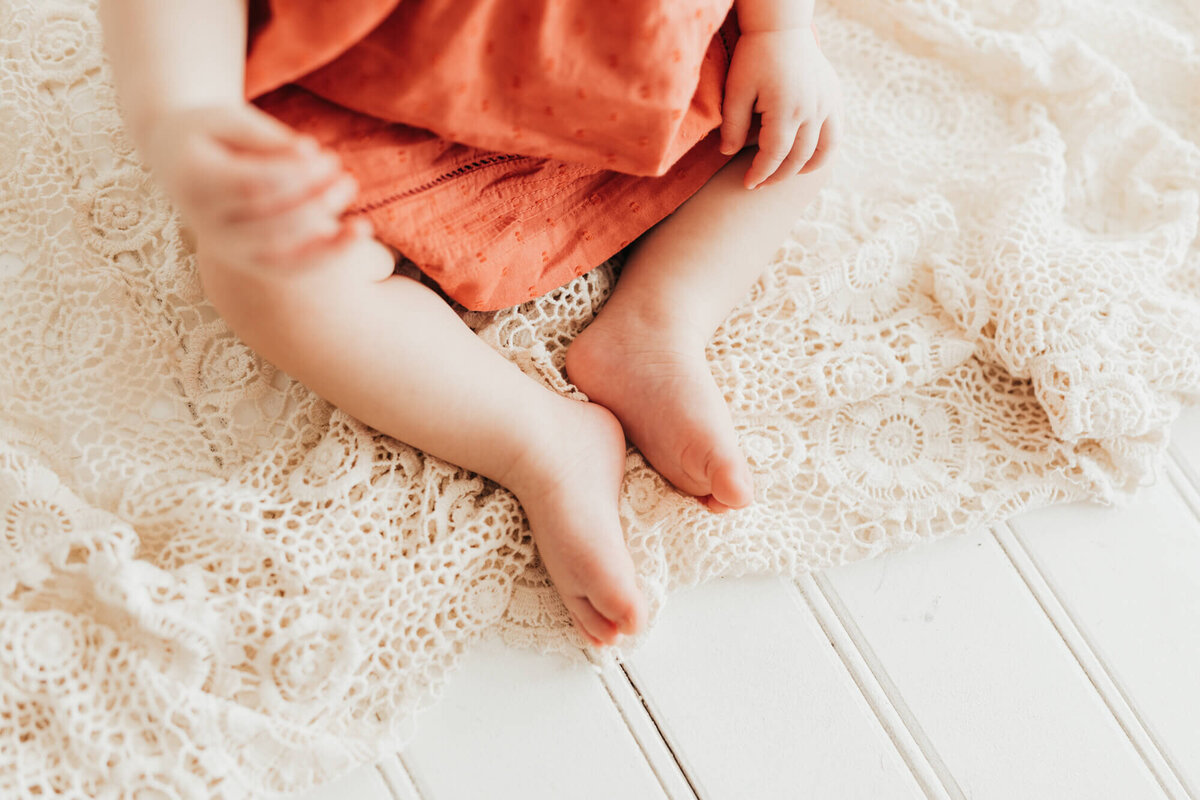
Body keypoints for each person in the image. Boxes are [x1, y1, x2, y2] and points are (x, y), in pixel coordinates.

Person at [99, 0, 842, 648]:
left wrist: (780, 31)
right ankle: (538, 440)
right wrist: (182, 118)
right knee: (260, 276)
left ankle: (658, 322)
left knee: (800, 133)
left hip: (644, 88)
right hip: (378, 120)